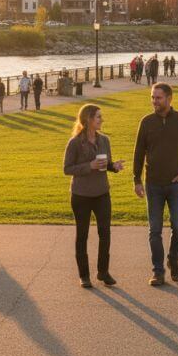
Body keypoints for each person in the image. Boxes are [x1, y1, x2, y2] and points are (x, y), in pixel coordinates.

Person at [133, 83, 178, 286]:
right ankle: (158, 271)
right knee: (155, 231)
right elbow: (138, 153)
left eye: (158, 98)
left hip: (176, 185)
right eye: (152, 97)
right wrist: (136, 180)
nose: (154, 101)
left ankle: (173, 260)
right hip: (153, 185)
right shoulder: (146, 122)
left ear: (170, 98)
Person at [64, 104, 125, 288]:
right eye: (98, 117)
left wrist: (114, 166)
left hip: (101, 193)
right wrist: (88, 166)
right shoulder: (75, 143)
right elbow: (67, 169)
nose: (101, 120)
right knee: (82, 235)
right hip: (81, 195)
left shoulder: (105, 140)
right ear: (88, 119)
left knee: (105, 233)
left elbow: (105, 164)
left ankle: (103, 272)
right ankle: (84, 276)